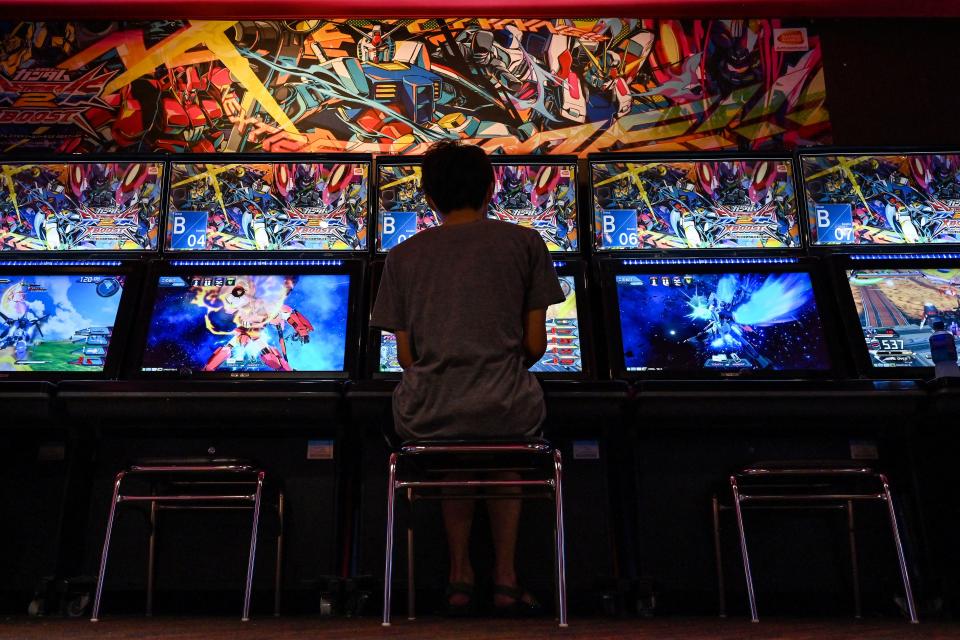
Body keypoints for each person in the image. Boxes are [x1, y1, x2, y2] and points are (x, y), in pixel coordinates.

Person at [370, 141, 565, 616]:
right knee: (503, 454)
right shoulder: (524, 243)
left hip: (430, 412)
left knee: (453, 452)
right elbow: (535, 348)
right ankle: (505, 579)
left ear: (428, 196)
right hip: (507, 407)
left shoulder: (403, 255)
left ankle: (459, 576)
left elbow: (407, 357)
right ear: (491, 187)